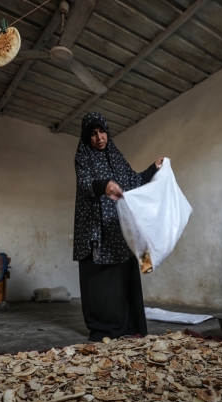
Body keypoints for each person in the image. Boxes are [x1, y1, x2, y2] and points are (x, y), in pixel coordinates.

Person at [73, 112, 163, 341]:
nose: (99, 137)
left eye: (102, 131)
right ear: (87, 136)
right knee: (103, 283)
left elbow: (134, 180)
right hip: (97, 231)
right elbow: (84, 184)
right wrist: (104, 185)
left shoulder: (116, 156)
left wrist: (154, 168)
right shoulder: (83, 156)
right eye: (93, 134)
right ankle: (105, 328)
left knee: (126, 277)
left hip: (120, 228)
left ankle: (131, 325)